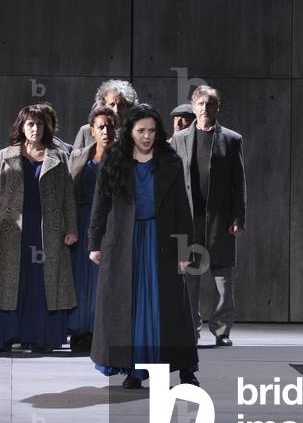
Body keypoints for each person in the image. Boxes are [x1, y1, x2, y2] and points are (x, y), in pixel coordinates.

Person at [88, 104, 198, 387]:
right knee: (129, 305)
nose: (146, 136)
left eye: (151, 131)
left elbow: (181, 209)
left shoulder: (169, 161)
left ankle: (184, 368)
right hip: (125, 241)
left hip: (162, 241)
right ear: (130, 132)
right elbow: (100, 204)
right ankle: (134, 371)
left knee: (169, 308)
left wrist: (185, 250)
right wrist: (94, 242)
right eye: (141, 131)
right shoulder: (115, 159)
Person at [0, 104, 77, 353]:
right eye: (30, 124)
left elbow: (68, 195)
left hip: (48, 230)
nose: (35, 129)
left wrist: (72, 228)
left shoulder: (59, 155)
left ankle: (40, 338)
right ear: (22, 127)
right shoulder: (6, 155)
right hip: (11, 229)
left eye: (40, 124)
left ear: (47, 127)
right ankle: (2, 337)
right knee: (8, 282)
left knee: (41, 283)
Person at [171, 85, 246, 347]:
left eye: (210, 104)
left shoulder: (232, 139)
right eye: (201, 104)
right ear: (193, 107)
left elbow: (239, 183)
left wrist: (239, 217)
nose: (205, 109)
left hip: (220, 221)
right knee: (189, 279)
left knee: (223, 281)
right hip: (188, 220)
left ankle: (222, 331)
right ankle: (190, 330)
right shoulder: (178, 140)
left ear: (217, 108)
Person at [66, 105, 118, 353]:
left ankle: (102, 330)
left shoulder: (123, 158)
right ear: (92, 131)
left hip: (110, 224)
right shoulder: (78, 156)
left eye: (110, 126)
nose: (106, 131)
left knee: (103, 280)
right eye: (101, 127)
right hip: (82, 222)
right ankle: (79, 331)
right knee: (80, 280)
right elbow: (68, 194)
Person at [72, 80, 138, 149]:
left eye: (121, 105)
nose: (116, 110)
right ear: (103, 106)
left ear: (128, 107)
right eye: (112, 104)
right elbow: (76, 157)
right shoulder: (86, 131)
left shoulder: (136, 133)